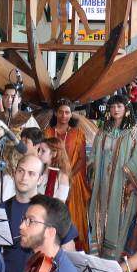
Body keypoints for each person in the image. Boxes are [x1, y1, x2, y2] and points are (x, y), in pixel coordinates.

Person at [0, 154, 78, 272]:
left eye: (31, 174)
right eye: (20, 171)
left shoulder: (51, 209)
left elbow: (69, 252)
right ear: (14, 172)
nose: (24, 177)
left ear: (40, 179)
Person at [88, 95, 137, 258]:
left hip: (121, 186)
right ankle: (98, 257)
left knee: (118, 220)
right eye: (113, 107)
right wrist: (93, 172)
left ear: (126, 109)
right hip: (103, 184)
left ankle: (113, 258)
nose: (115, 110)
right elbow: (93, 155)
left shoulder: (133, 133)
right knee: (100, 215)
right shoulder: (102, 132)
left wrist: (131, 181)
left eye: (119, 106)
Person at [44, 99, 91, 249]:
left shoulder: (78, 134)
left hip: (74, 180)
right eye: (61, 112)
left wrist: (68, 177)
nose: (64, 115)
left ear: (71, 114)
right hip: (50, 179)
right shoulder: (48, 132)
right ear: (56, 113)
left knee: (74, 216)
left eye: (67, 112)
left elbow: (82, 159)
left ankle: (74, 251)